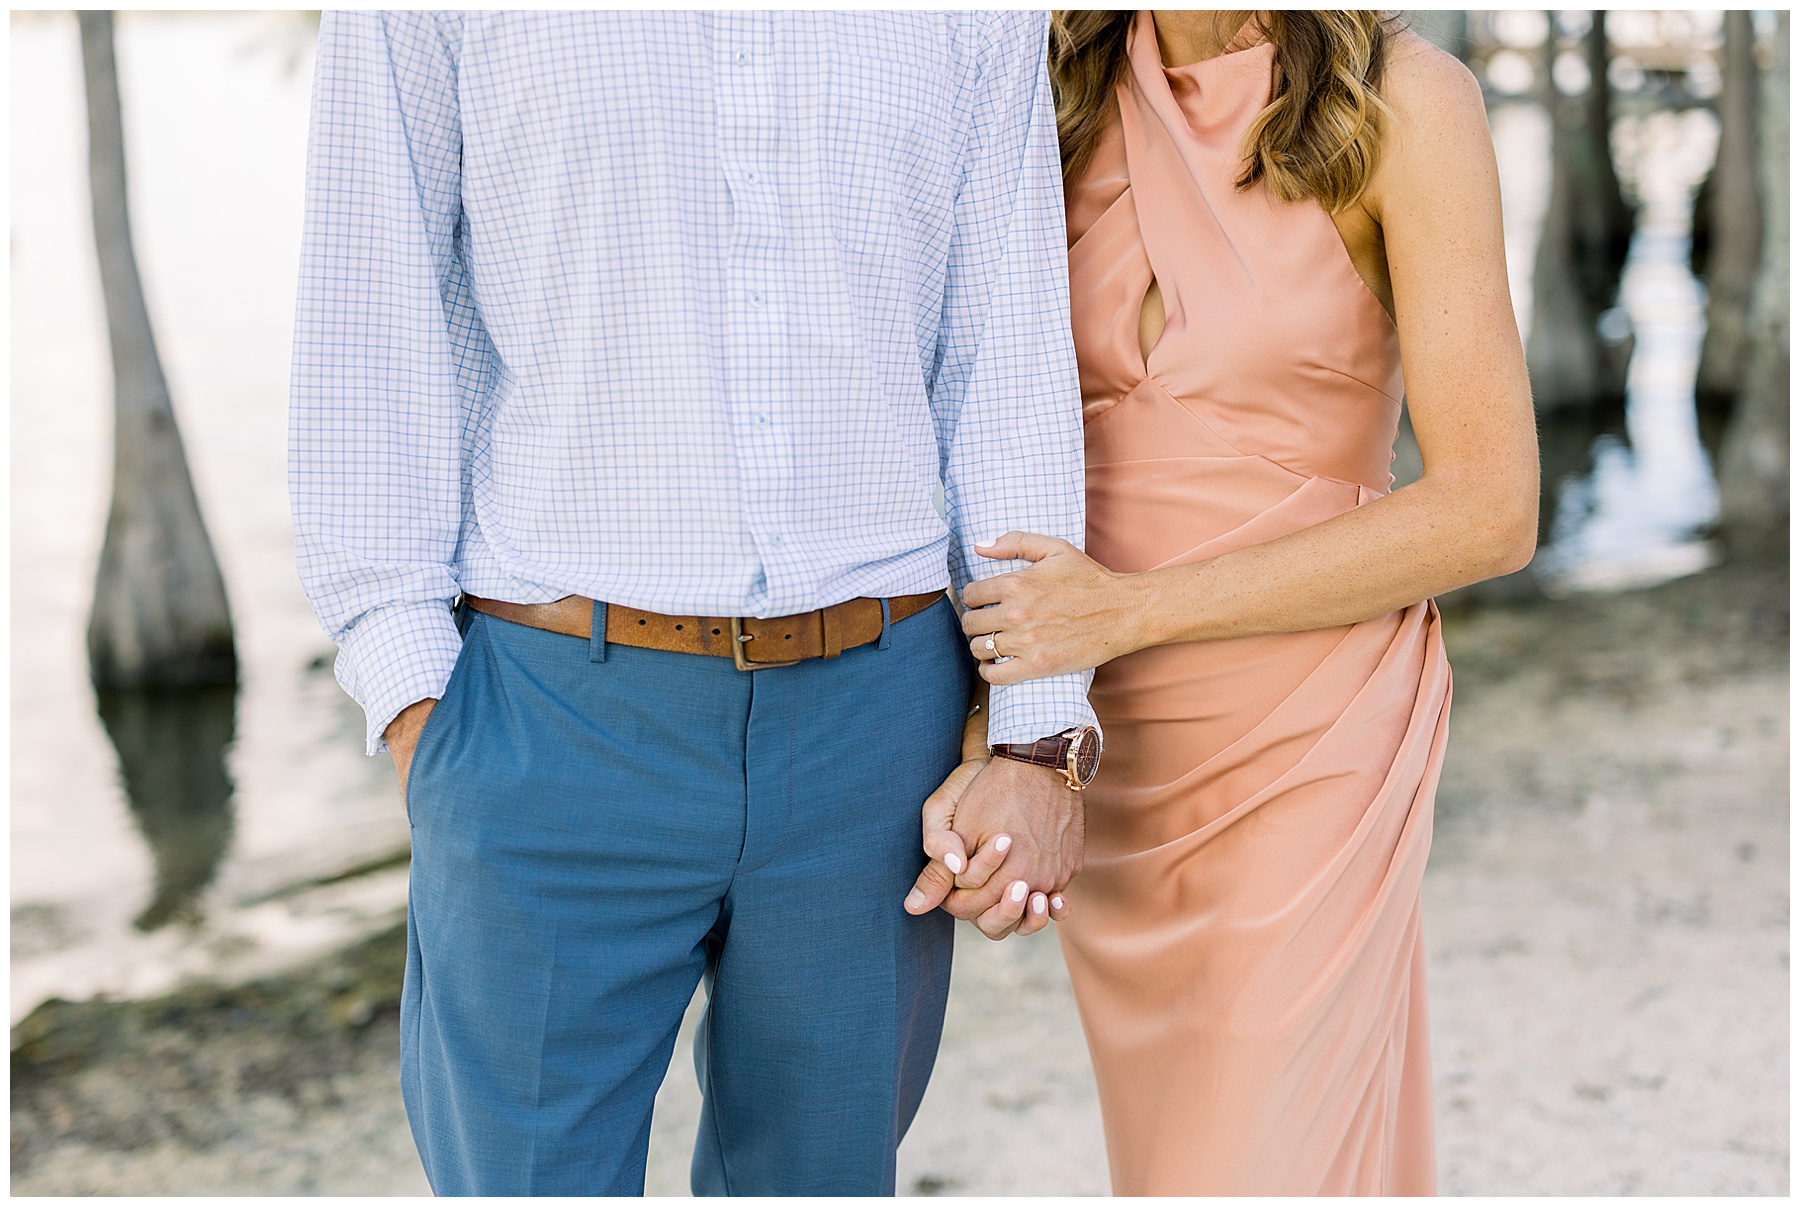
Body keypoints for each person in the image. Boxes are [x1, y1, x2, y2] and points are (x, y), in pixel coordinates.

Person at [289, 11, 1101, 1196]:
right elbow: (369, 328)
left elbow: (1008, 370)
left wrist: (1038, 737)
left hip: (876, 739)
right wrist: (421, 709)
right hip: (548, 723)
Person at [908, 9, 1539, 1194]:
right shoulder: (1043, 87)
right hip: (1106, 743)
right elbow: (977, 430)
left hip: (1310, 733)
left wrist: (1127, 612)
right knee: (1176, 1158)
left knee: (1258, 1152)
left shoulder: (1406, 97)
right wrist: (1007, 723)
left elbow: (1491, 508)